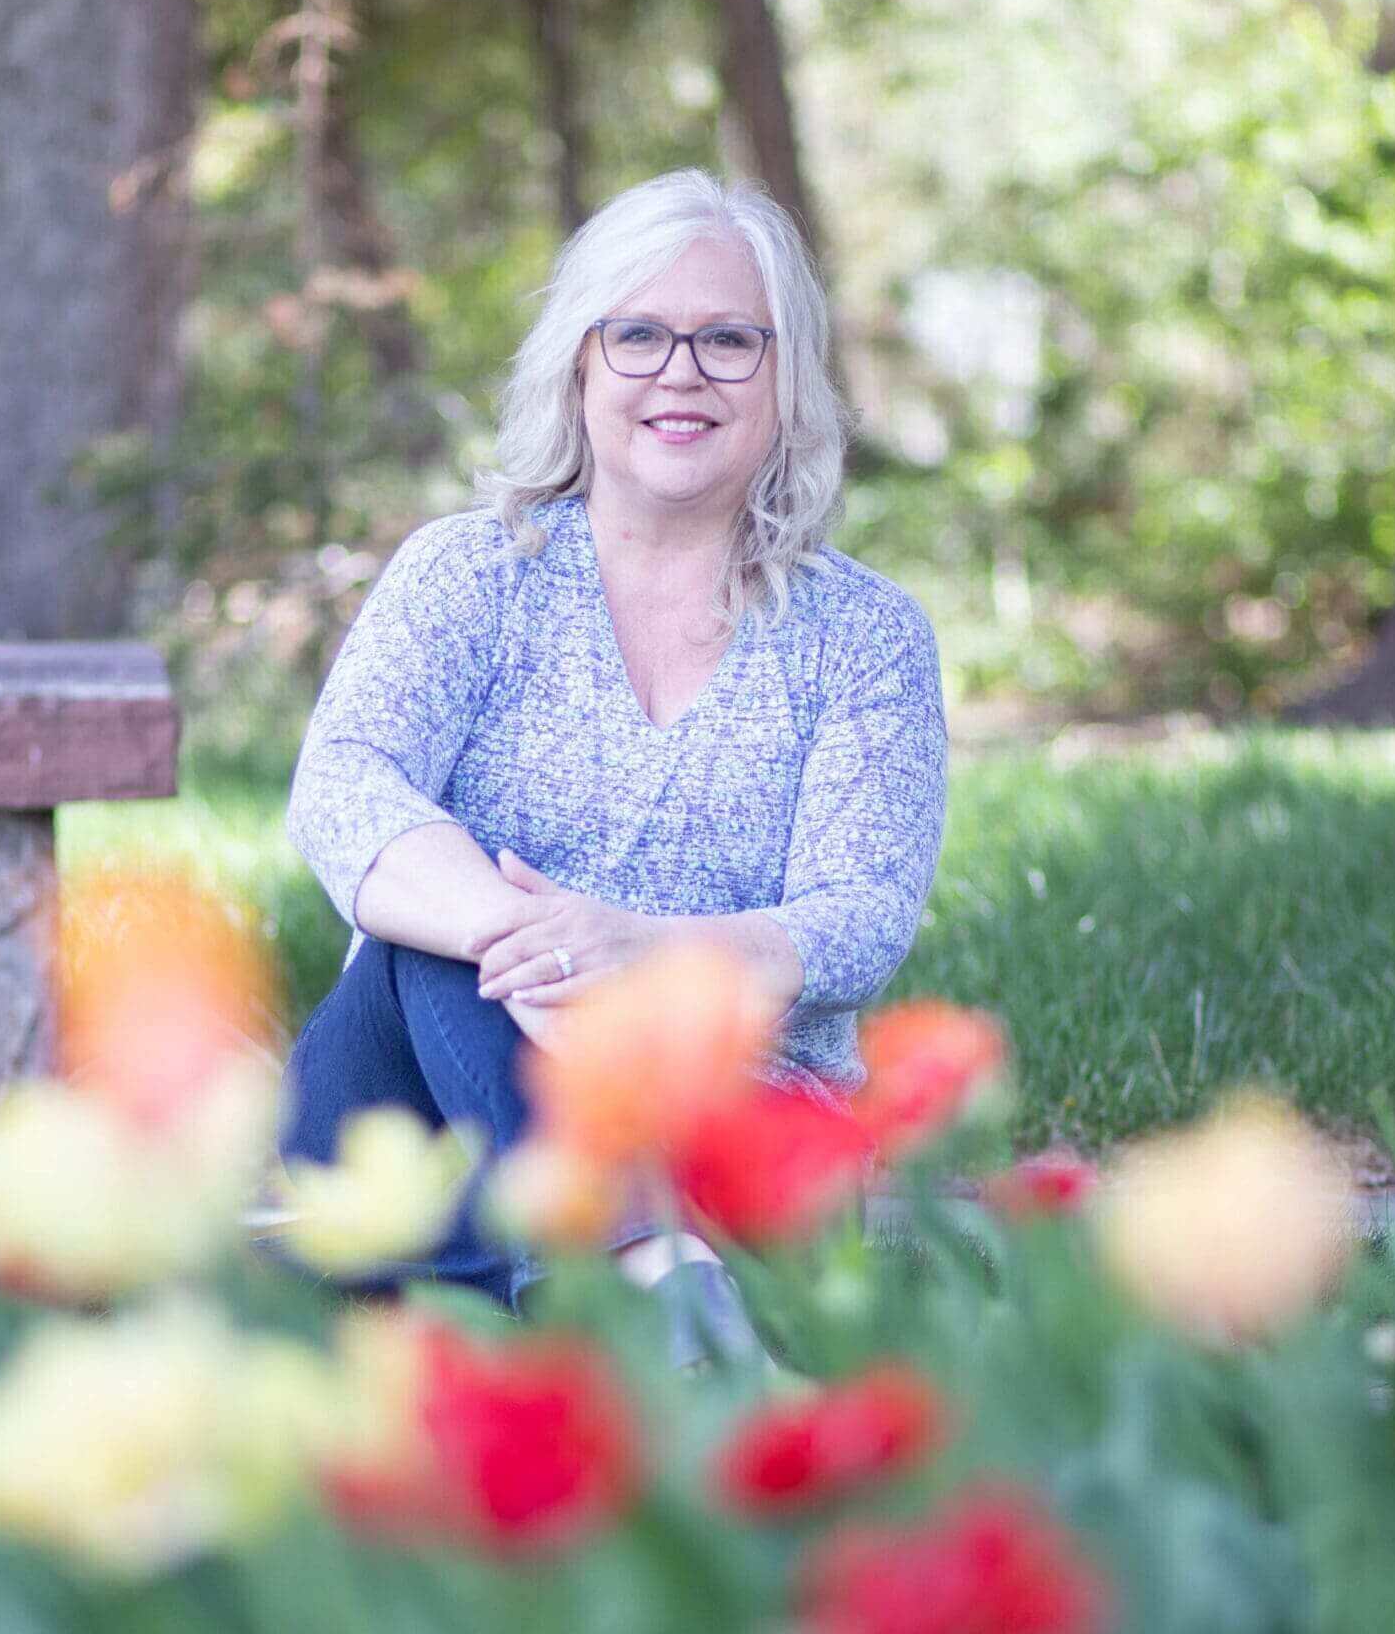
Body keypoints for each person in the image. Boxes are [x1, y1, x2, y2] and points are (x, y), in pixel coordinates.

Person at [280, 169, 947, 1312]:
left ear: (787, 378)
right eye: (638, 335)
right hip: (415, 1101)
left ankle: (527, 1296)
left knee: (443, 943)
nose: (680, 373)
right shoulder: (471, 574)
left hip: (726, 1117)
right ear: (579, 364)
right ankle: (649, 1270)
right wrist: (543, 952)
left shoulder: (864, 636)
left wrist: (643, 955)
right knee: (438, 937)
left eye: (729, 340)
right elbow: (341, 789)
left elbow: (861, 915)